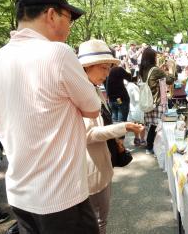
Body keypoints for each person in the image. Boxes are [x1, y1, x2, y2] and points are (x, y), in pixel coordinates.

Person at [0, 0, 101, 234]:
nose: (69, 27)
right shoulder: (58, 53)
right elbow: (93, 108)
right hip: (61, 196)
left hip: (20, 194)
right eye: (68, 18)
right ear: (51, 14)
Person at [78, 39, 144, 234]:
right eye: (104, 68)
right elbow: (88, 134)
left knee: (101, 219)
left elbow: (102, 122)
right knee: (97, 221)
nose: (107, 74)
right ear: (87, 67)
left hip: (101, 164)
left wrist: (116, 138)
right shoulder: (81, 93)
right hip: (92, 168)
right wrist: (123, 128)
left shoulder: (94, 89)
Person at [139, 48, 175, 154]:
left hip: (147, 101)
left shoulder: (142, 69)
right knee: (159, 126)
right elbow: (170, 80)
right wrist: (171, 68)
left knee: (152, 125)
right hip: (156, 102)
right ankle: (155, 148)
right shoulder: (155, 70)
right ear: (152, 58)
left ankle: (149, 146)